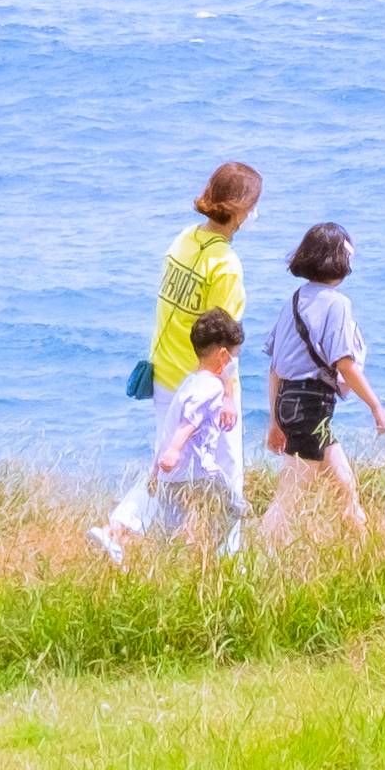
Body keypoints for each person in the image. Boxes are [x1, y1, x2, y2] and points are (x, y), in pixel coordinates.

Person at [88, 161, 260, 562]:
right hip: (202, 381)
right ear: (239, 209)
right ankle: (222, 558)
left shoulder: (183, 240)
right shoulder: (226, 266)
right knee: (227, 472)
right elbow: (224, 340)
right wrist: (230, 395)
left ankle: (150, 551)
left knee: (173, 463)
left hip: (165, 372)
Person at [262, 224, 385, 536]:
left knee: (345, 485)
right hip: (310, 407)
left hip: (292, 404)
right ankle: (258, 555)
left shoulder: (294, 300)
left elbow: (275, 368)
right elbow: (345, 364)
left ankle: (362, 549)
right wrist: (376, 406)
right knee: (289, 497)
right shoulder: (337, 304)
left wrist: (276, 420)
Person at [101, 310, 250, 559]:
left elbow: (170, 428)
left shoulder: (190, 382)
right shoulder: (210, 388)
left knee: (170, 528)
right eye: (235, 355)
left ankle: (126, 547)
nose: (235, 362)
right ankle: (223, 558)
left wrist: (155, 472)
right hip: (197, 474)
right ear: (223, 356)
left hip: (172, 477)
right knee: (233, 508)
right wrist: (174, 450)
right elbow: (188, 423)